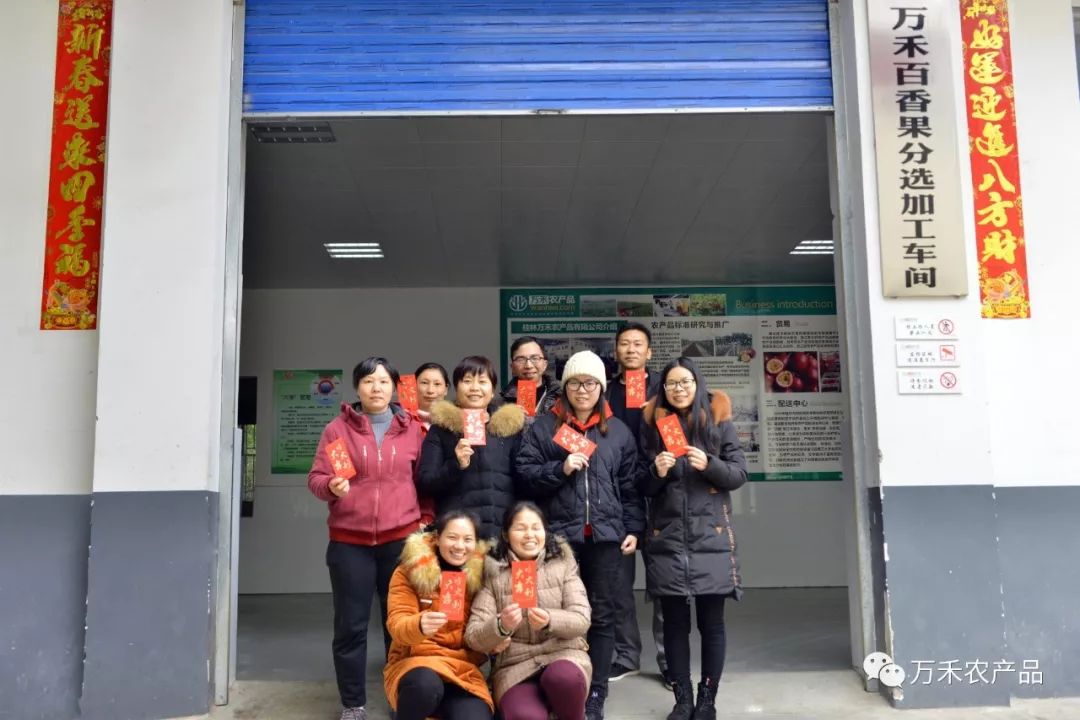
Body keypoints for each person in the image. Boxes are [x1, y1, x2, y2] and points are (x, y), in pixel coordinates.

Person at [516, 350, 645, 720]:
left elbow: (630, 486)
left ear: (601, 387)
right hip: (559, 538)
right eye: (575, 383)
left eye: (590, 383)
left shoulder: (618, 431)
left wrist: (633, 528)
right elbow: (524, 474)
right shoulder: (544, 427)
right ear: (565, 387)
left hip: (605, 538)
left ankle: (596, 692)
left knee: (602, 615)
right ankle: (562, 686)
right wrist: (561, 468)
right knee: (558, 613)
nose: (583, 390)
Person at [308, 357, 427, 720]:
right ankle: (353, 704)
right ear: (357, 387)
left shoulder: (412, 430)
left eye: (384, 382)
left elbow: (426, 482)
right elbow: (316, 478)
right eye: (368, 381)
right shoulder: (337, 430)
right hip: (350, 543)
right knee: (351, 626)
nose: (376, 388)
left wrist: (424, 521)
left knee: (400, 625)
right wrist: (331, 486)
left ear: (395, 388)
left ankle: (399, 696)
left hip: (400, 541)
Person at [639, 357, 748, 720]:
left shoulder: (718, 419)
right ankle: (682, 698)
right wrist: (656, 471)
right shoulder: (653, 423)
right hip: (667, 537)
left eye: (685, 382)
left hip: (710, 536)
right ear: (663, 388)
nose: (679, 389)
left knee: (711, 624)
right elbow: (640, 484)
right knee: (673, 624)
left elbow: (739, 473)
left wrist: (710, 465)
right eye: (671, 383)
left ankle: (707, 700)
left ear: (697, 384)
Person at [466, 501, 592, 720]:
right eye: (520, 528)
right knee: (525, 716)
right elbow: (473, 636)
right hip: (515, 665)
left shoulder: (563, 563)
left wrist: (550, 619)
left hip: (564, 654)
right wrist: (499, 626)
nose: (530, 535)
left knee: (562, 678)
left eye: (536, 528)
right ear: (506, 535)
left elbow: (582, 618)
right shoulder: (493, 571)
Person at [383, 510, 495, 720]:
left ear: (476, 543)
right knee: (424, 687)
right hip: (416, 663)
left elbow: (484, 629)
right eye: (452, 537)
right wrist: (419, 625)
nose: (459, 546)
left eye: (467, 539)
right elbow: (397, 625)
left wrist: (497, 634)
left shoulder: (484, 576)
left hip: (462, 670)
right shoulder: (409, 571)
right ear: (437, 537)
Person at [604, 322, 668, 686]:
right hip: (618, 495)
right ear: (616, 351)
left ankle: (669, 660)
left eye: (638, 344)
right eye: (624, 344)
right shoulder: (603, 391)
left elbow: (680, 434)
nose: (631, 349)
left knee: (664, 583)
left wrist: (657, 414)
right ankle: (626, 656)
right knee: (618, 582)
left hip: (660, 493)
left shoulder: (666, 388)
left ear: (649, 351)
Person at [419, 356, 527, 539]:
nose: (475, 387)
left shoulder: (509, 428)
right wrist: (456, 464)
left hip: (501, 532)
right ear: (456, 388)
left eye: (482, 381)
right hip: (459, 538)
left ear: (492, 391)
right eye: (467, 381)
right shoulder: (441, 429)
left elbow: (524, 482)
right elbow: (426, 483)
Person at [501, 336, 562, 421]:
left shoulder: (562, 398)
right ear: (512, 367)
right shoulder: (502, 404)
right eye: (521, 359)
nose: (528, 366)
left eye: (535, 358)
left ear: (545, 364)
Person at [414, 361, 450, 435]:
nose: (430, 390)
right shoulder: (400, 420)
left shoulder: (456, 424)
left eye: (437, 384)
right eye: (424, 383)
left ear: (446, 389)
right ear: (414, 386)